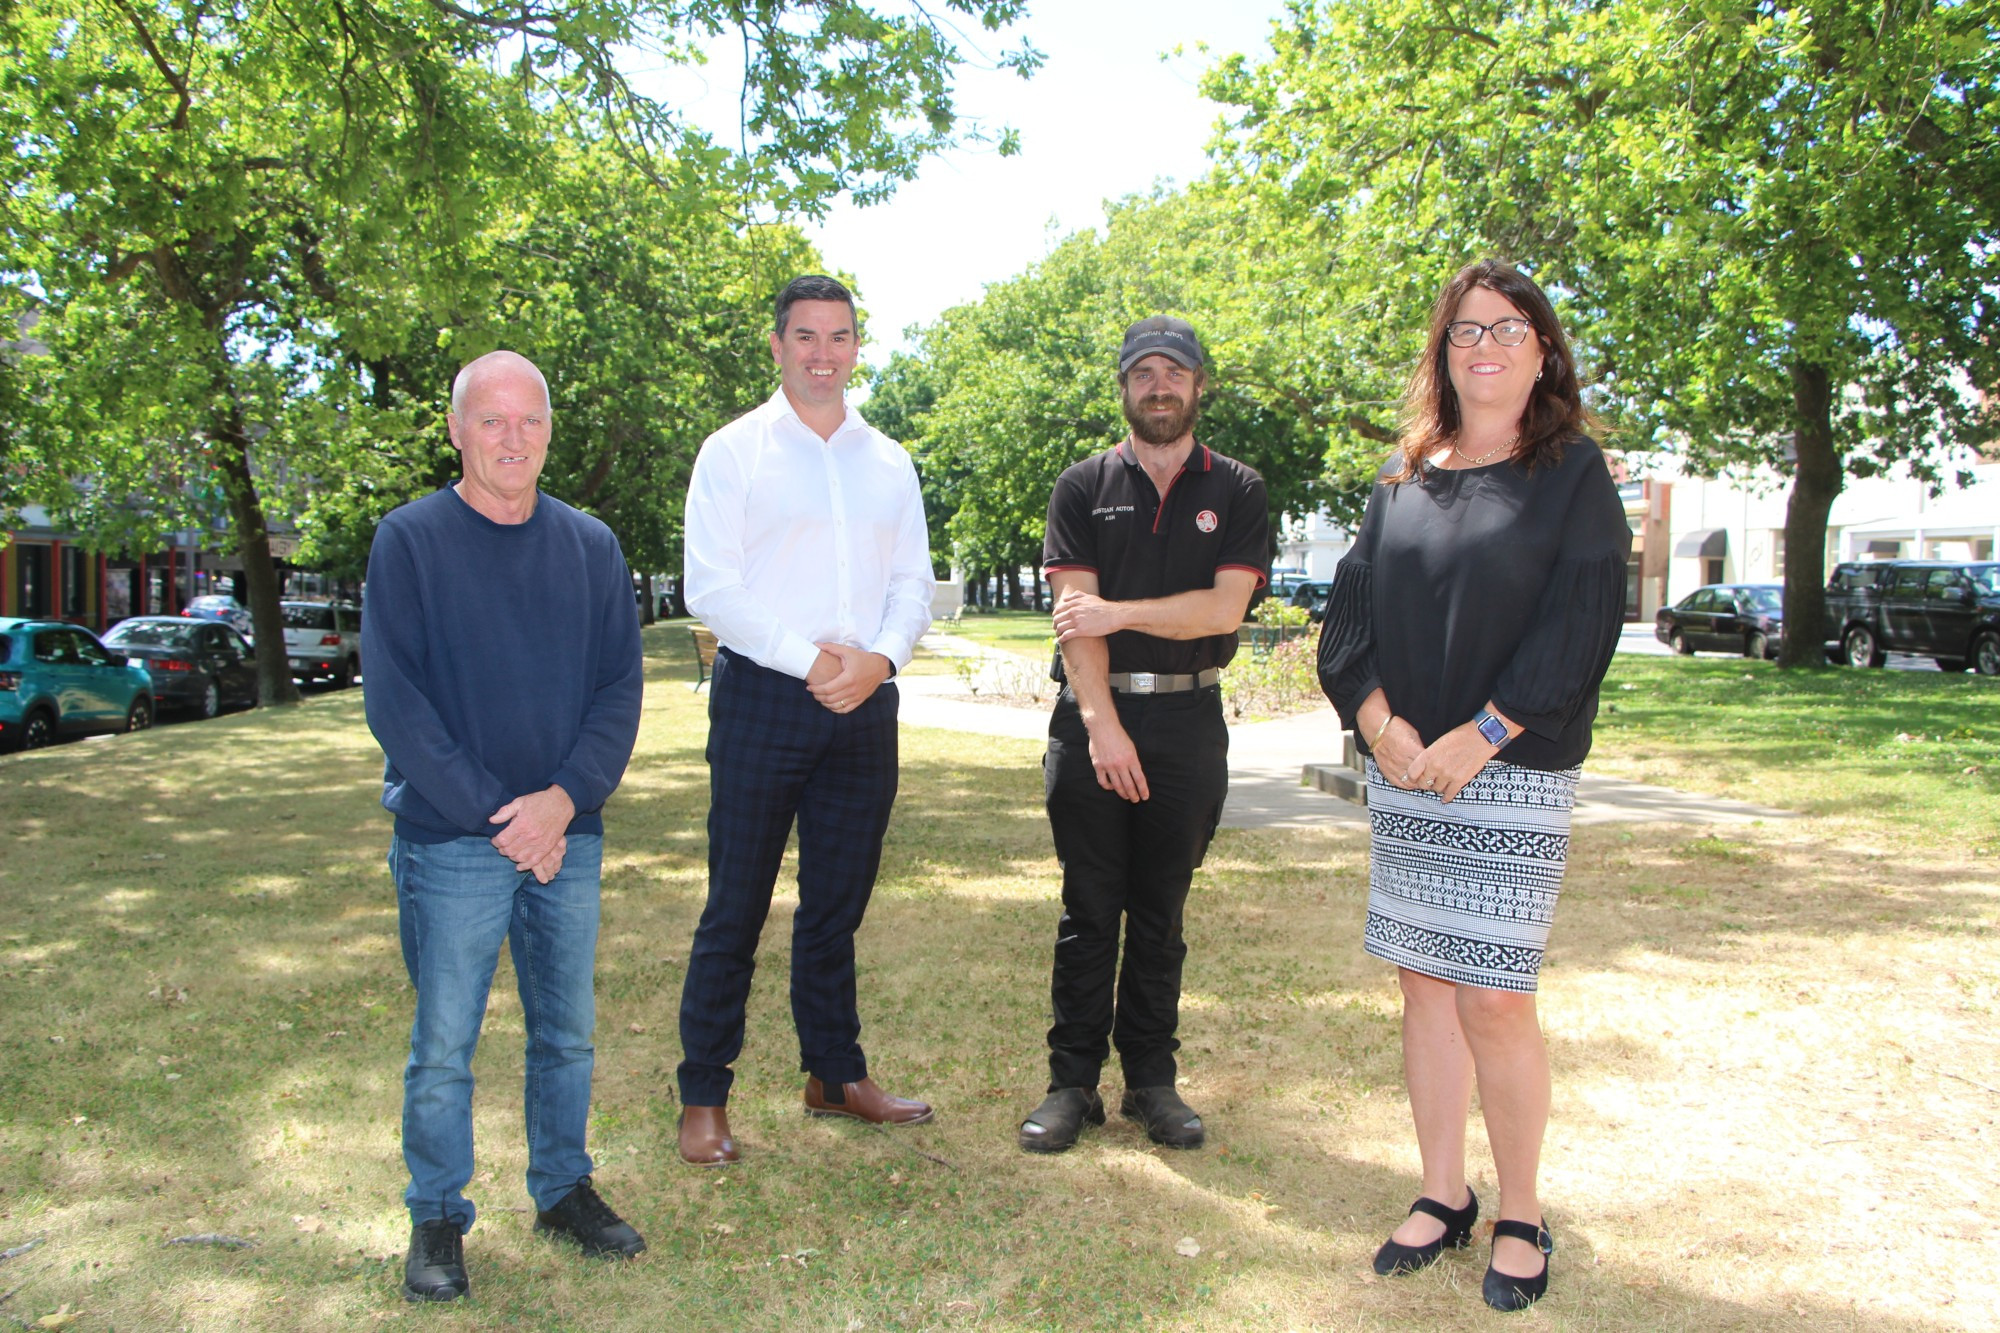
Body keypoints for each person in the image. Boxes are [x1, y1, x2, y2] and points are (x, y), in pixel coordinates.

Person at [1316, 260, 1631, 1312]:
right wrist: (1379, 726)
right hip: (1406, 768)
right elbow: (1347, 622)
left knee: (1493, 995)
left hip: (1509, 768)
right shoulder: (1402, 474)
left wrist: (1481, 734)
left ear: (1540, 348)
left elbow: (1581, 627)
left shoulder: (1571, 475)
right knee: (1420, 981)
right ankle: (1442, 1192)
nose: (1483, 347)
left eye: (1505, 329)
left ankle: (1521, 1210)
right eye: (1463, 331)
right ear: (1439, 353)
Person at [363, 350, 647, 1303]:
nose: (513, 437)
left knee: (566, 1032)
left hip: (569, 834)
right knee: (446, 1043)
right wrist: (504, 815)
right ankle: (437, 1214)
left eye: (530, 420)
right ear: (457, 430)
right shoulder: (409, 541)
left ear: (549, 431)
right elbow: (396, 703)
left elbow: (618, 688)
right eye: (492, 420)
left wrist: (562, 801)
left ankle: (563, 1188)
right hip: (453, 842)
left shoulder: (591, 546)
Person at [675, 275, 936, 1166]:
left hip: (864, 706)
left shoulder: (890, 461)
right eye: (806, 337)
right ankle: (704, 1091)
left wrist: (879, 660)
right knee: (735, 906)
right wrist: (814, 661)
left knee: (837, 905)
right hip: (763, 697)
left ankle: (834, 1072)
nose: (823, 353)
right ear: (778, 346)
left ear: (857, 346)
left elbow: (911, 586)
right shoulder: (734, 452)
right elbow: (710, 587)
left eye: (840, 336)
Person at [1017, 315, 1270, 1154]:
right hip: (1094, 717)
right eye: (1143, 374)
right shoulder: (1082, 486)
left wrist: (1119, 611)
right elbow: (1071, 621)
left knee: (1160, 912)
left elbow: (1223, 608)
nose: (1159, 386)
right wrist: (1101, 726)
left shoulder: (1237, 489)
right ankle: (1072, 1084)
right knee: (1089, 910)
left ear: (1200, 386)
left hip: (1190, 720)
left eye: (1175, 372)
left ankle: (1151, 1084)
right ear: (1123, 388)